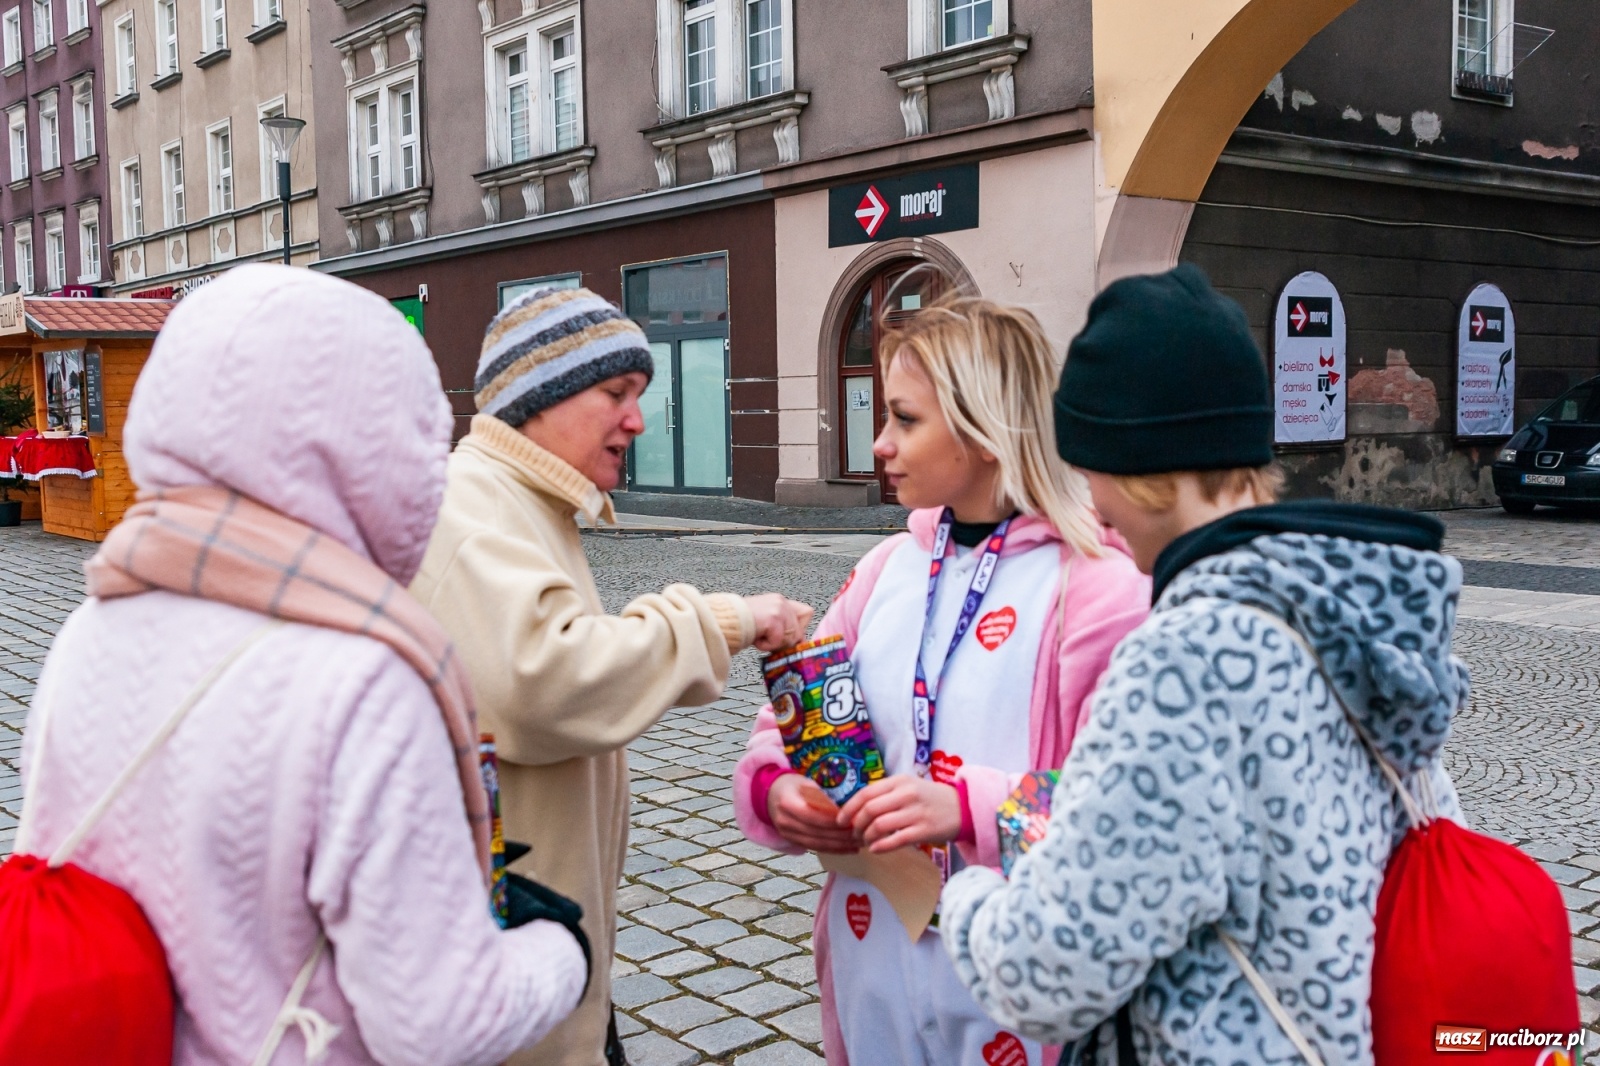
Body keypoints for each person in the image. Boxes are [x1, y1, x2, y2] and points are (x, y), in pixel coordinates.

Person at [17, 265, 587, 1065]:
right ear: (375, 443)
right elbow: (441, 1025)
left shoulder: (96, 623)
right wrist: (559, 950)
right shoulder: (362, 682)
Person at [940, 265, 1467, 1063]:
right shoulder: (1350, 618)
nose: (1088, 499)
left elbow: (1045, 970)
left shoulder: (1188, 664)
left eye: (1088, 467)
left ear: (1133, 464)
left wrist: (965, 895)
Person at [731, 294, 1150, 1066]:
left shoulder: (1096, 590)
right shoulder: (885, 570)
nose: (880, 444)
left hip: (1025, 998)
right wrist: (780, 794)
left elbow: (1135, 809)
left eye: (906, 419)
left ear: (986, 429)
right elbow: (786, 728)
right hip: (874, 979)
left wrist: (969, 807)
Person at [409, 285, 813, 1066]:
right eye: (616, 393)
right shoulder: (469, 508)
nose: (637, 419)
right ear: (539, 398)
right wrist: (725, 618)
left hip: (545, 938)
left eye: (642, 395)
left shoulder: (527, 504)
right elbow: (548, 680)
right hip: (510, 957)